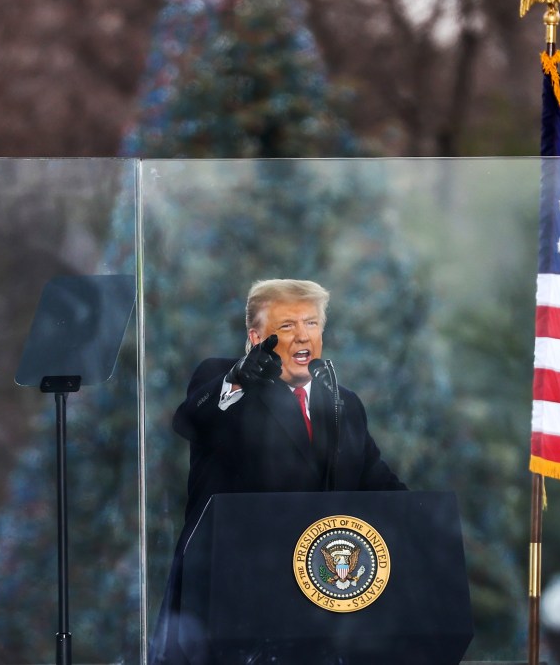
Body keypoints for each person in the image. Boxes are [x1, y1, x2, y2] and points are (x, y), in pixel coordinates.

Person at [150, 278, 406, 665]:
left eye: (312, 323)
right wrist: (237, 377)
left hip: (318, 604)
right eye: (287, 326)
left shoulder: (343, 402)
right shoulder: (224, 382)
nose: (303, 335)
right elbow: (190, 421)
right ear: (256, 338)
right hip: (229, 600)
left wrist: (421, 520)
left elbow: (376, 480)